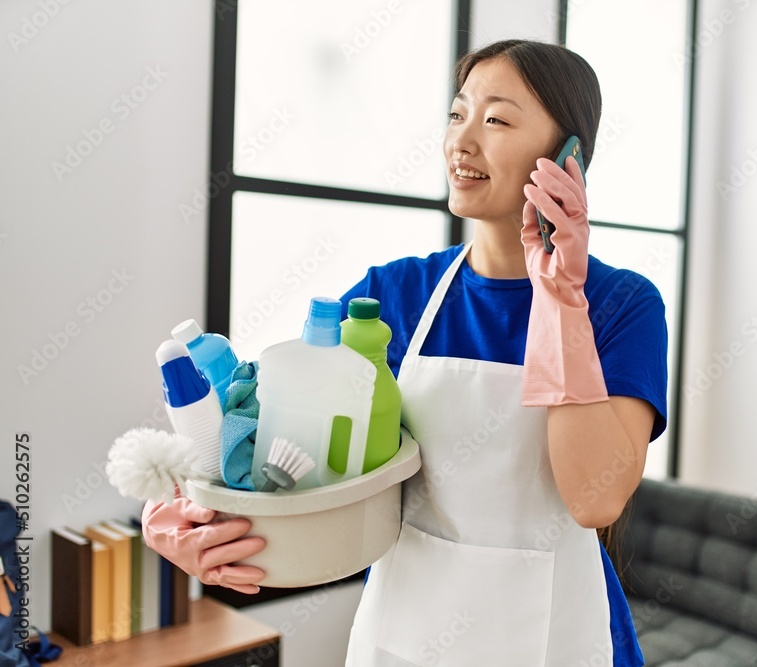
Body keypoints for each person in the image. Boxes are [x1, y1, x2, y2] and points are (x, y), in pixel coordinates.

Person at [142, 39, 668, 666]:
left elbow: (594, 498)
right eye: (457, 113)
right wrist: (176, 516)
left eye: (496, 119)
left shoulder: (623, 304)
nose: (462, 142)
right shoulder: (393, 296)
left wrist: (562, 301)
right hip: (404, 638)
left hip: (561, 636)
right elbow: (257, 431)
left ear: (568, 156)